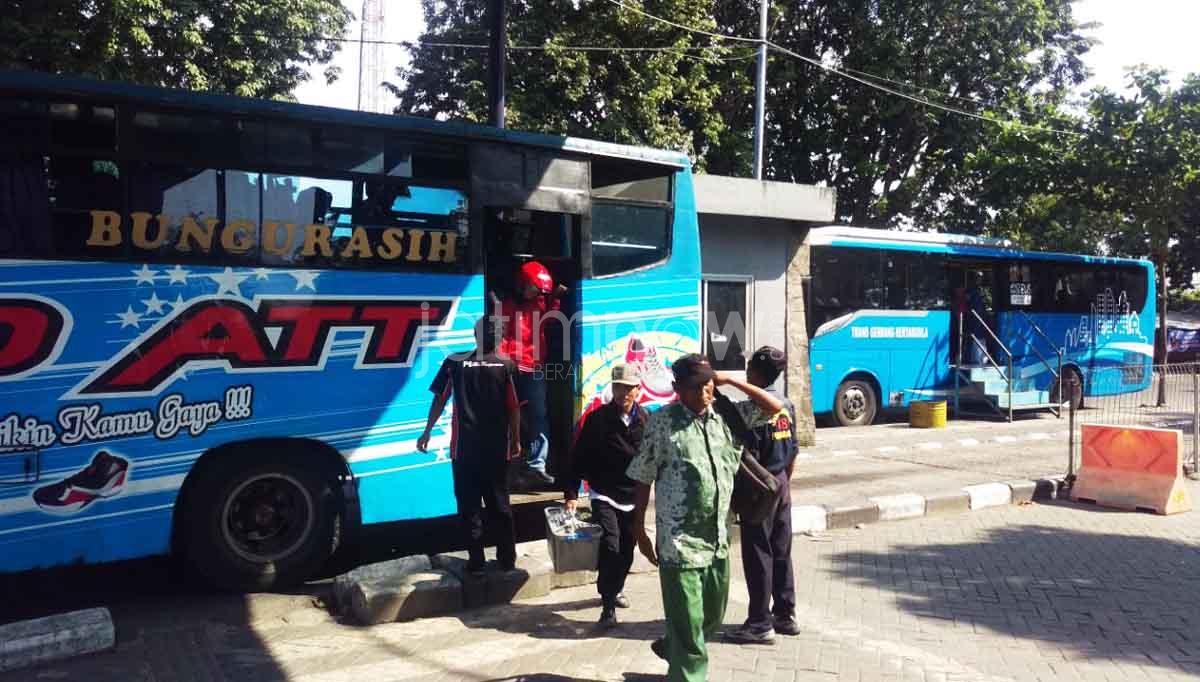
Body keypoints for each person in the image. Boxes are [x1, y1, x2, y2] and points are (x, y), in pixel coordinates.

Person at [626, 354, 784, 682]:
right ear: (677, 389)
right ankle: (686, 670)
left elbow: (774, 407)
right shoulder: (662, 423)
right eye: (696, 387)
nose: (705, 393)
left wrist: (731, 381)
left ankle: (675, 645)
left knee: (711, 617)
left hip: (716, 540)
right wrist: (639, 527)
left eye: (709, 385)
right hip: (678, 542)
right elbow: (643, 476)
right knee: (689, 628)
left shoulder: (727, 415)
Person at [417, 317, 521, 576]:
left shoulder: (455, 362)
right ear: (499, 338)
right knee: (500, 505)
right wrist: (517, 440)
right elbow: (514, 408)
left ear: (474, 335)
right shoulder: (507, 366)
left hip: (464, 450)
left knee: (469, 507)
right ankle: (507, 559)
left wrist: (427, 431)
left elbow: (440, 399)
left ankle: (476, 563)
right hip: (497, 450)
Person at [723, 346, 801, 644]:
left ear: (756, 371)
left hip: (759, 485)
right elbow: (794, 450)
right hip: (780, 482)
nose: (746, 370)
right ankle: (785, 614)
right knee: (781, 549)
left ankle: (758, 622)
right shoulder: (788, 404)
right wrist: (784, 484)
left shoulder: (754, 409)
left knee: (758, 554)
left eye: (749, 366)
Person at [562, 363, 648, 629]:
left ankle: (617, 587)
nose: (623, 394)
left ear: (638, 390)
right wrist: (572, 492)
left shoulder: (647, 420)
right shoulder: (598, 419)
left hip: (634, 494)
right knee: (610, 547)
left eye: (628, 389)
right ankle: (608, 605)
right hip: (604, 493)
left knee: (627, 550)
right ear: (613, 388)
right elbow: (578, 456)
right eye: (618, 388)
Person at [498, 260, 569, 485]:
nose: (536, 293)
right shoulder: (506, 306)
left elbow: (551, 317)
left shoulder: (540, 302)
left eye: (538, 290)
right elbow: (500, 337)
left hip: (535, 367)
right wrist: (503, 364)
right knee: (510, 417)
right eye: (533, 288)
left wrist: (555, 297)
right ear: (521, 283)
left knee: (538, 416)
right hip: (512, 368)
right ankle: (509, 466)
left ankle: (537, 465)